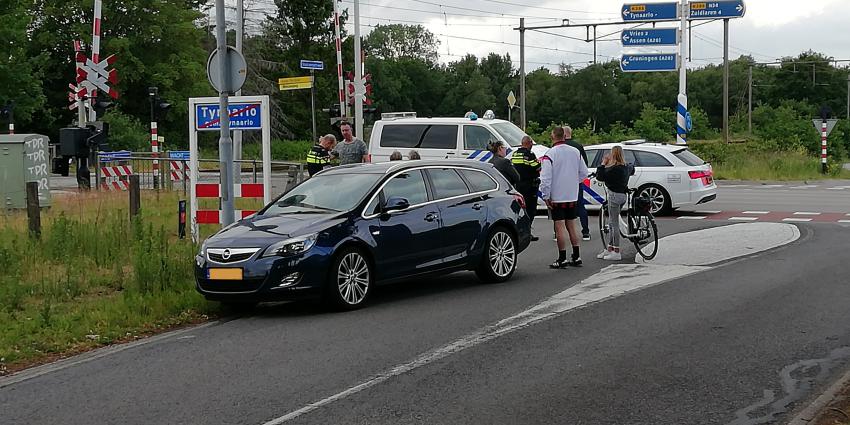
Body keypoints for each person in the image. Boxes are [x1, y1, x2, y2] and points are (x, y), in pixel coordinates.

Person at [540, 126, 589, 269]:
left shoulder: (550, 154)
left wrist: (546, 195)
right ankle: (577, 255)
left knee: (559, 225)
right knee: (572, 225)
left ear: (553, 136)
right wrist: (574, 182)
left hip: (557, 195)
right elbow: (584, 173)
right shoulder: (575, 152)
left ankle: (562, 258)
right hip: (572, 194)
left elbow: (546, 178)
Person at [595, 146, 630, 261]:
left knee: (613, 224)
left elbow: (600, 177)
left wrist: (603, 163)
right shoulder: (626, 167)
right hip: (623, 196)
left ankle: (616, 251)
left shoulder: (612, 169)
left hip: (614, 196)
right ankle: (609, 248)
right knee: (612, 221)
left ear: (613, 155)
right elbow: (632, 168)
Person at [563, 126, 591, 241]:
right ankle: (585, 232)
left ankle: (558, 233)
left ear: (563, 135)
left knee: (561, 207)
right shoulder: (578, 147)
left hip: (562, 182)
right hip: (575, 182)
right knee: (580, 206)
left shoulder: (558, 147)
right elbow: (585, 164)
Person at [511, 135, 541, 241]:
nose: (532, 145)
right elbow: (538, 167)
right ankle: (527, 232)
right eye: (531, 143)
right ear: (528, 143)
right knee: (531, 209)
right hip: (530, 185)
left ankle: (520, 231)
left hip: (518, 186)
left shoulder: (515, 154)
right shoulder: (530, 154)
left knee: (521, 209)